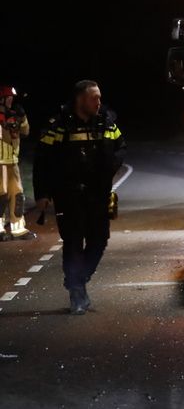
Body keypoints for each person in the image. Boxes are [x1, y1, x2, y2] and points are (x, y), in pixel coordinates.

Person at [33, 80, 125, 314]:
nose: (99, 102)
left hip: (97, 193)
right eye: (94, 98)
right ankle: (76, 293)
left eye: (99, 97)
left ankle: (78, 279)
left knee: (99, 240)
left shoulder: (106, 121)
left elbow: (120, 148)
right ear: (80, 100)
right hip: (68, 194)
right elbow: (42, 160)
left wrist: (109, 169)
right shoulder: (59, 125)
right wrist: (42, 193)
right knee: (73, 242)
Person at [0, 85, 32, 240]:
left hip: (12, 161)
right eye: (8, 98)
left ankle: (18, 228)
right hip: (0, 162)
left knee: (17, 195)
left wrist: (22, 117)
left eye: (12, 98)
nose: (11, 100)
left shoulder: (14, 114)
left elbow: (25, 131)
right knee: (1, 195)